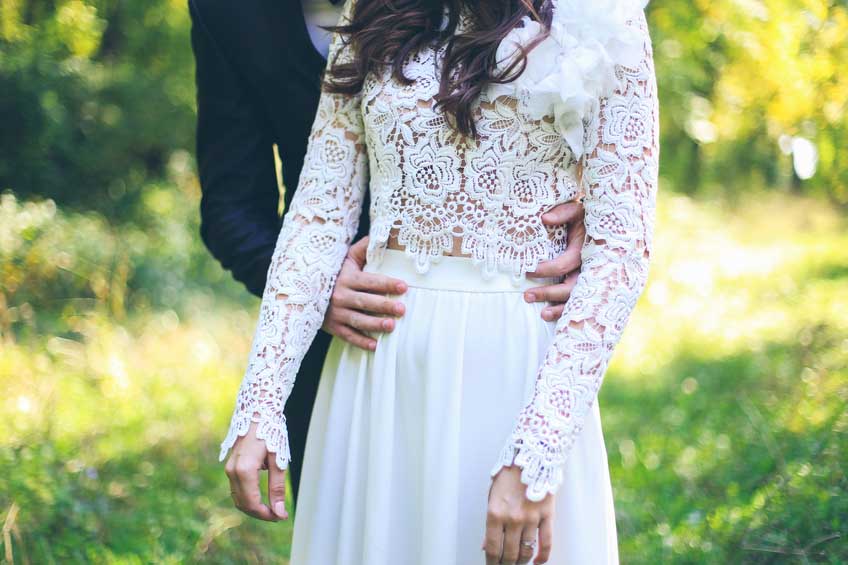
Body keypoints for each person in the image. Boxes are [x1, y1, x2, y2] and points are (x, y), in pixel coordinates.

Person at [220, 0, 659, 562]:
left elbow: (620, 251)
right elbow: (317, 216)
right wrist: (263, 398)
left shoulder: (601, 16)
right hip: (377, 367)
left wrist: (537, 450)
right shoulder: (372, 11)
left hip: (515, 365)